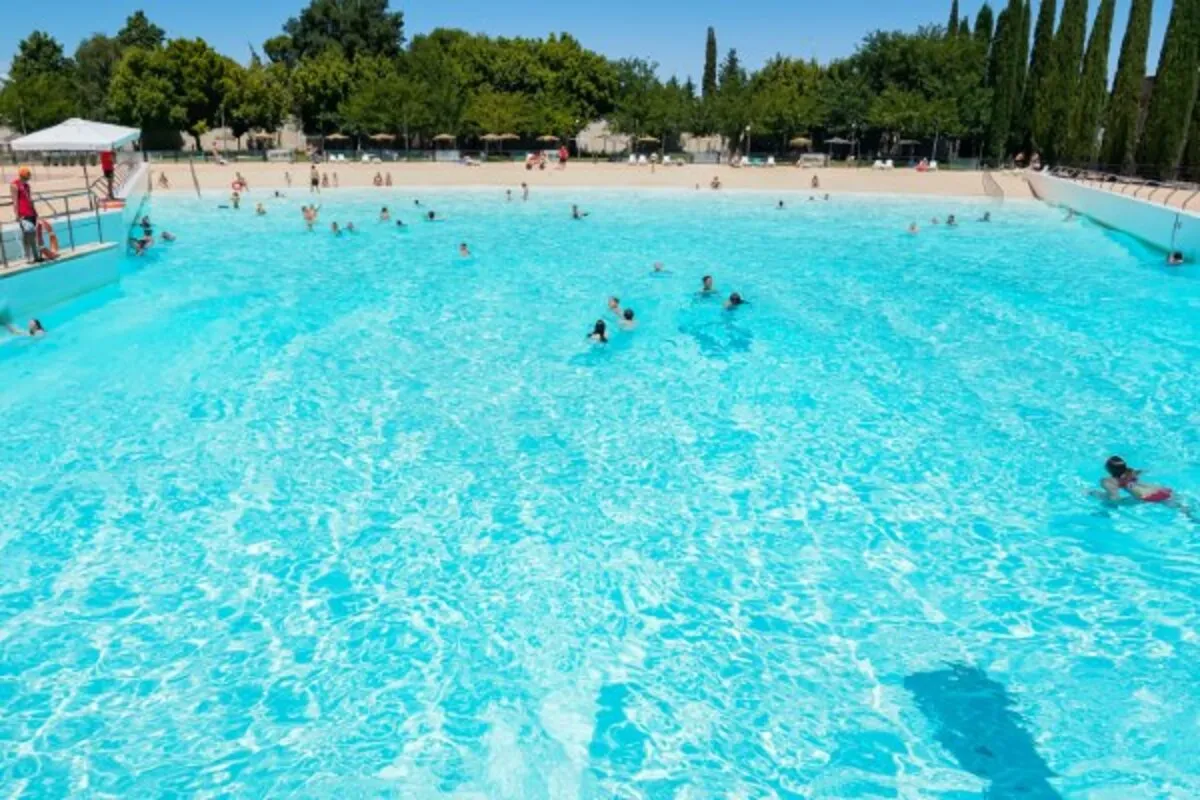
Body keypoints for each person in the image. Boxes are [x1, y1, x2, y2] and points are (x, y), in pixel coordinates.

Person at [1101, 456, 1175, 504]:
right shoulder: (1131, 472)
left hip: (1147, 497)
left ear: (1108, 469)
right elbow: (1147, 471)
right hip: (1162, 490)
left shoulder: (1109, 481)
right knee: (1180, 507)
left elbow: (1114, 499)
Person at [10, 166, 41, 263]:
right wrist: (16, 214)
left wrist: (36, 212)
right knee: (28, 233)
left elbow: (30, 200)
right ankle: (29, 257)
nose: (28, 178)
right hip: (23, 213)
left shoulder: (27, 186)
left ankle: (35, 256)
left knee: (31, 234)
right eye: (27, 175)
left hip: (31, 212)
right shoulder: (14, 185)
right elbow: (15, 201)